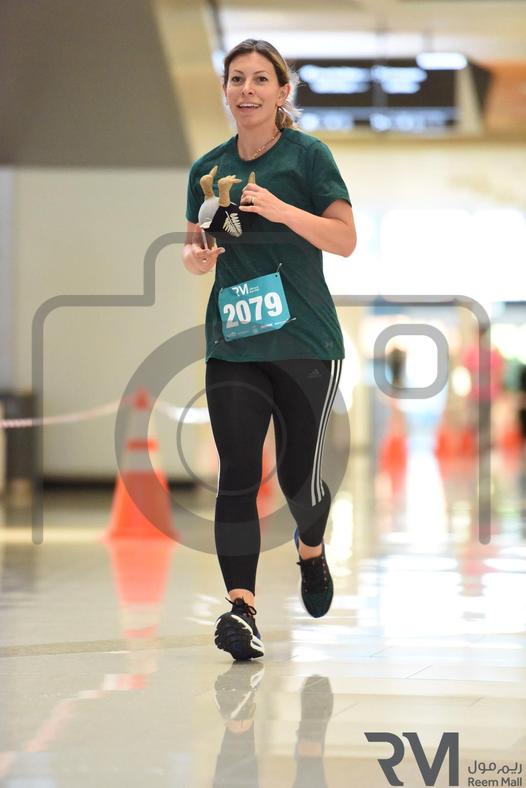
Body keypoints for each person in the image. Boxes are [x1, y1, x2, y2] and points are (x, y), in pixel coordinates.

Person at [182, 39, 356, 661]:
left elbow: (344, 240)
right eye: (237, 79)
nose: (247, 90)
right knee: (236, 471)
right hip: (234, 342)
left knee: (297, 478)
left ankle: (311, 549)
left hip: (306, 341)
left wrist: (282, 211)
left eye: (260, 79)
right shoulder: (208, 169)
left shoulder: (309, 157)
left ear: (283, 92)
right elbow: (194, 243)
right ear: (225, 90)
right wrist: (196, 258)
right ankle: (242, 608)